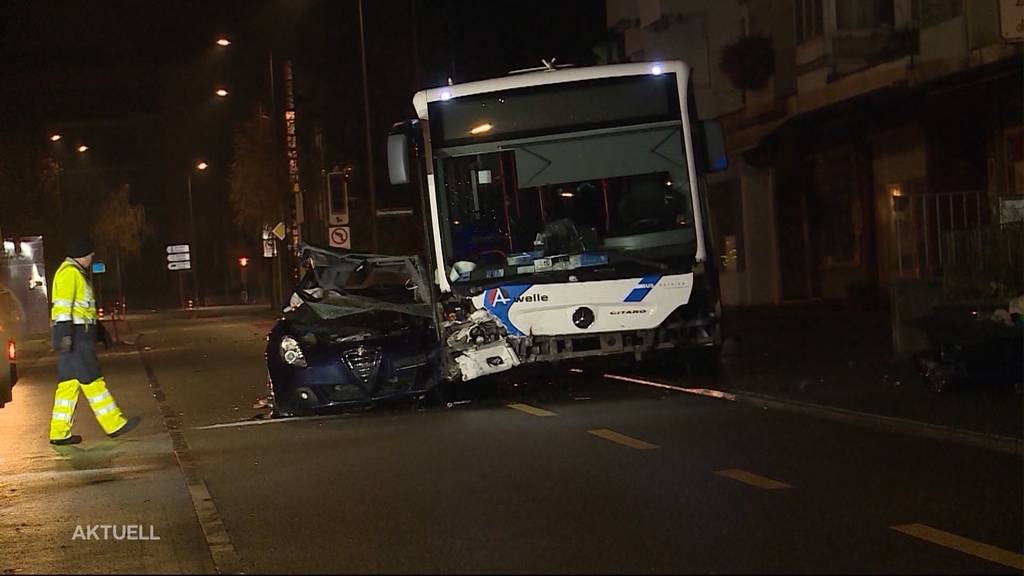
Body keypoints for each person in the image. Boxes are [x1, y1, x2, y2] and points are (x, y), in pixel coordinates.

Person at [48, 236, 138, 446]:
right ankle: (114, 423)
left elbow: (82, 309)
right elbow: (63, 308)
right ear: (82, 254)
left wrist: (99, 331)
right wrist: (65, 335)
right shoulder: (70, 274)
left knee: (68, 386)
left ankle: (59, 432)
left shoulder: (75, 273)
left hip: (75, 336)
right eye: (90, 254)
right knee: (92, 380)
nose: (91, 258)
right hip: (76, 338)